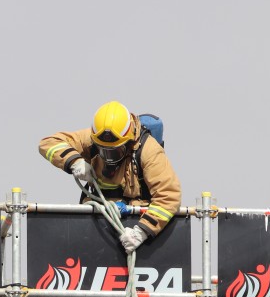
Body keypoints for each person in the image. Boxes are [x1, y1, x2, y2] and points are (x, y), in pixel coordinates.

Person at [39, 101, 181, 253]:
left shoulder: (149, 151)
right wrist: (75, 161)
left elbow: (169, 196)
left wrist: (141, 232)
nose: (108, 156)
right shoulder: (92, 138)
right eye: (103, 150)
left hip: (136, 230)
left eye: (114, 151)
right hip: (95, 226)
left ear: (128, 141)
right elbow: (48, 143)